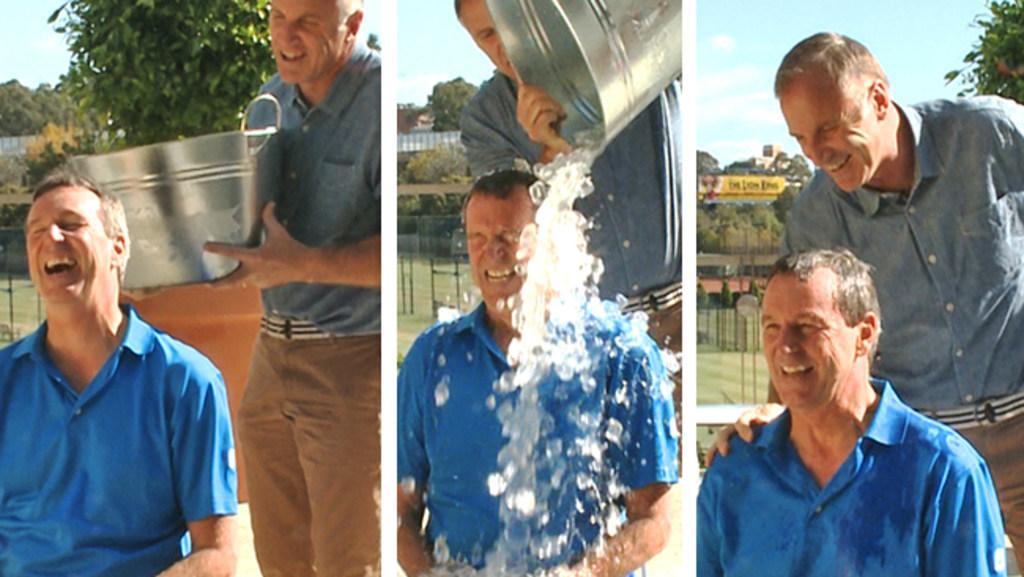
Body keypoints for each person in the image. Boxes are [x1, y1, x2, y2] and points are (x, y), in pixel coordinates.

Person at [708, 32, 1024, 567]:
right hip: (924, 460)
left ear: (879, 99)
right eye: (801, 138)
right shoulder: (814, 218)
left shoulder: (992, 133)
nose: (815, 154)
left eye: (828, 128)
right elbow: (798, 324)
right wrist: (775, 410)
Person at [397, 171, 678, 577]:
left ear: (552, 243)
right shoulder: (432, 356)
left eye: (511, 237)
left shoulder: (621, 354)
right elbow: (399, 512)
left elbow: (653, 523)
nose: (493, 252)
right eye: (478, 237)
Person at [202, 0, 381, 574]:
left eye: (307, 21)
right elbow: (256, 232)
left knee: (347, 562)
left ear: (352, 27)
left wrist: (301, 265)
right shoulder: (269, 99)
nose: (287, 34)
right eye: (279, 16)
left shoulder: (379, 99)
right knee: (280, 561)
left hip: (353, 366)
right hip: (269, 356)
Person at [698, 249, 1007, 577]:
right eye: (772, 326)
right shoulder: (733, 473)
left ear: (864, 334)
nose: (785, 346)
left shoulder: (945, 472)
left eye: (807, 326)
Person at [0, 168, 237, 577]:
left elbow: (216, 556)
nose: (50, 238)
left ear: (119, 247)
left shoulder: (186, 382)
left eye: (70, 224)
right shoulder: (5, 381)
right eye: (35, 230)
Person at [454, 0, 682, 355]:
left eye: (511, 22)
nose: (507, 43)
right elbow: (511, 234)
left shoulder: (630, 49)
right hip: (585, 333)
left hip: (680, 311)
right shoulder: (487, 119)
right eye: (487, 34)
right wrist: (552, 155)